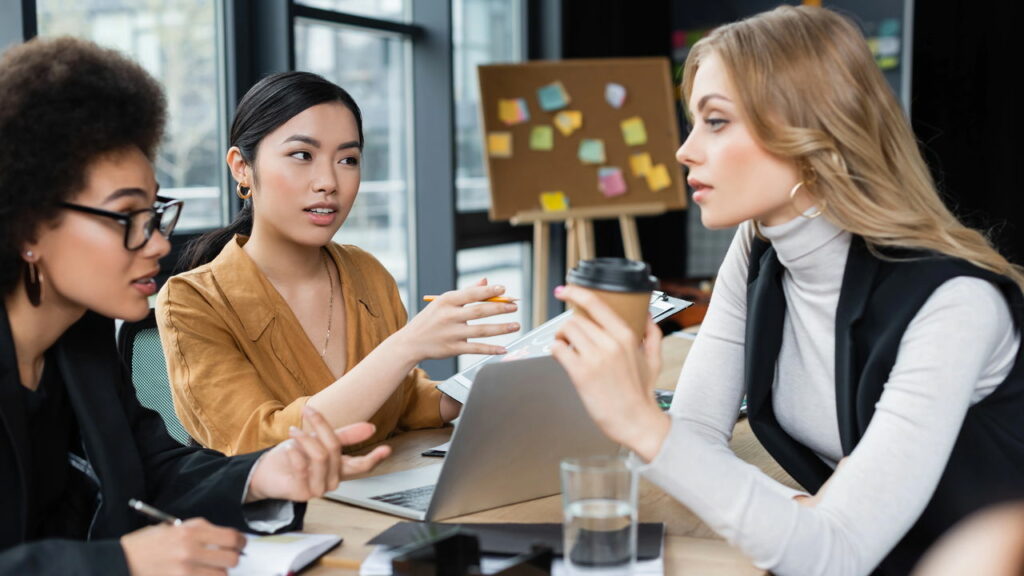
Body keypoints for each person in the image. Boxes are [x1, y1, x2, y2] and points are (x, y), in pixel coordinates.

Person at [550, 5, 1024, 576]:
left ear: (809, 134)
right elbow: (697, 433)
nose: (685, 150)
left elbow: (837, 553)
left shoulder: (955, 303)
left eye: (716, 121)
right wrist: (802, 518)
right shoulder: (758, 247)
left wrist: (638, 419)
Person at [0, 37, 389, 575]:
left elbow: (153, 469)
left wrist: (263, 474)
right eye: (126, 217)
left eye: (155, 211)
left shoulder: (79, 342)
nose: (159, 244)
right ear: (27, 225)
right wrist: (119, 563)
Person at [156, 71, 520, 456]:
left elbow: (402, 400)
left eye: (348, 159)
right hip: (286, 514)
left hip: (381, 493)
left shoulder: (366, 272)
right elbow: (259, 443)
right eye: (302, 155)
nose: (328, 181)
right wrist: (406, 345)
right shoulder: (190, 302)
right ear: (241, 167)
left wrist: (479, 388)